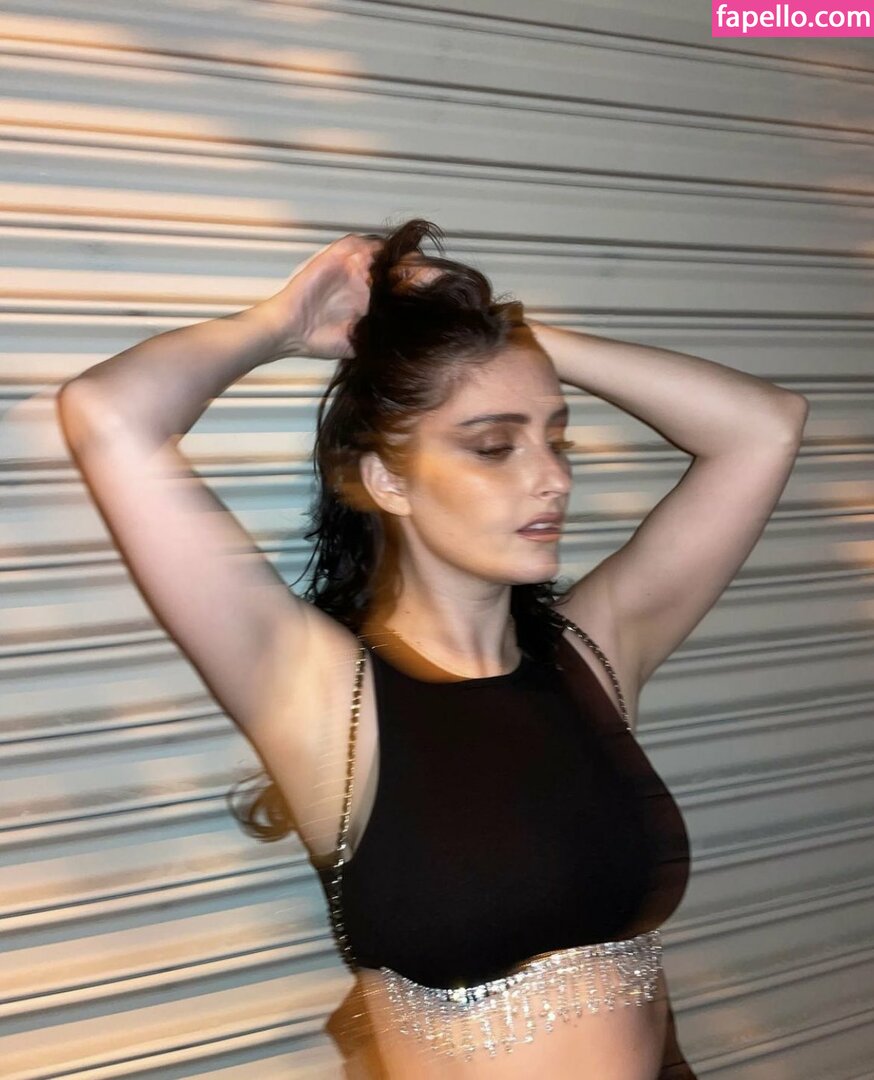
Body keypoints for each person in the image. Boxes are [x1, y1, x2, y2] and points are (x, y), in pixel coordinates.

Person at [56, 218, 808, 1079]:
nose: (554, 477)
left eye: (556, 438)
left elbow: (766, 426)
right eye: (494, 446)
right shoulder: (321, 692)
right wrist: (281, 324)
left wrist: (507, 341)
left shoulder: (592, 656)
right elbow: (108, 416)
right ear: (387, 479)